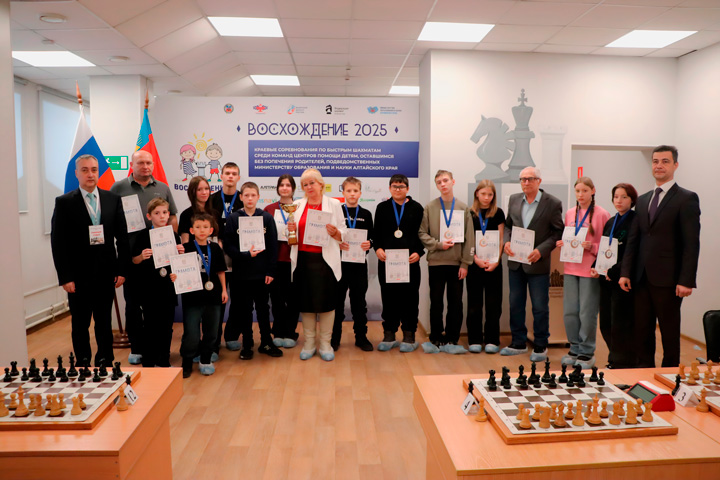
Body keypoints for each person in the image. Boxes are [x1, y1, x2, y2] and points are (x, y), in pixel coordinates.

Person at [620, 145, 701, 368]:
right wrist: (625, 272)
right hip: (641, 278)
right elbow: (634, 240)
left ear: (675, 165)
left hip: (669, 279)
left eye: (665, 161)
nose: (659, 165)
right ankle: (644, 374)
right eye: (655, 161)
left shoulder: (686, 198)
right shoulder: (643, 199)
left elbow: (691, 243)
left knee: (669, 332)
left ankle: (670, 375)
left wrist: (686, 280)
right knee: (642, 331)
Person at [50, 154, 130, 367]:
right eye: (85, 170)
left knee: (104, 321)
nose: (90, 174)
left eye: (94, 169)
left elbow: (122, 238)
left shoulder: (112, 199)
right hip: (78, 276)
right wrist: (65, 277)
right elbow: (58, 243)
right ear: (77, 173)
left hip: (106, 273)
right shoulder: (64, 202)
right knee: (80, 322)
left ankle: (105, 358)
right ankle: (83, 360)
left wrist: (121, 270)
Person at [110, 149, 178, 365]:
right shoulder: (118, 187)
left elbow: (173, 217)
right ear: (132, 165)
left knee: (155, 309)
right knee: (133, 306)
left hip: (159, 260)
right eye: (141, 163)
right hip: (131, 255)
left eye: (149, 162)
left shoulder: (162, 188)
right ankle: (137, 348)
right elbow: (109, 218)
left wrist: (173, 245)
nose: (145, 166)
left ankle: (157, 352)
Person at [502, 166, 563, 362]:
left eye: (530, 179)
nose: (526, 182)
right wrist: (506, 242)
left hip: (538, 264)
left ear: (539, 181)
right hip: (516, 263)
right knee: (515, 304)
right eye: (523, 179)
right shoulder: (514, 199)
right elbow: (508, 226)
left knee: (539, 307)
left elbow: (557, 232)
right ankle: (518, 342)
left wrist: (541, 250)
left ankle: (540, 345)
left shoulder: (553, 203)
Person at [287, 168, 347, 361]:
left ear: (321, 184)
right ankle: (309, 343)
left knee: (328, 303)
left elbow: (344, 231)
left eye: (312, 183)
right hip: (303, 260)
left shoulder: (334, 204)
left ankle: (325, 343)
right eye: (305, 184)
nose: (308, 187)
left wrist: (336, 233)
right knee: (306, 303)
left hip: (325, 261)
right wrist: (290, 230)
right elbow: (290, 236)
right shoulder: (296, 205)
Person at [556, 177, 610, 369]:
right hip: (571, 267)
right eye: (577, 191)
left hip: (590, 270)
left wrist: (592, 246)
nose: (580, 195)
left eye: (585, 191)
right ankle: (574, 348)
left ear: (593, 191)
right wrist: (562, 243)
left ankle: (587, 352)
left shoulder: (602, 214)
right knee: (570, 311)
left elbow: (608, 245)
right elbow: (569, 237)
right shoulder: (570, 213)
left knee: (587, 312)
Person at [224, 182, 282, 360]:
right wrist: (245, 255)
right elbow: (228, 246)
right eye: (246, 195)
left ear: (258, 197)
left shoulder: (266, 218)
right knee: (244, 310)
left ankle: (266, 342)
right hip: (241, 274)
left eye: (253, 195)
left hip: (262, 274)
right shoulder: (233, 218)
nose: (250, 198)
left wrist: (271, 271)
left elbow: (273, 246)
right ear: (241, 197)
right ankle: (247, 344)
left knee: (263, 309)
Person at [419, 170, 474, 347]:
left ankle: (452, 337)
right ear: (436, 185)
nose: (442, 184)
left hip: (457, 264)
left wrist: (465, 263)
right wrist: (438, 244)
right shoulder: (430, 207)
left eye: (445, 180)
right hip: (436, 262)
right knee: (436, 302)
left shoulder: (463, 208)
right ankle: (435, 336)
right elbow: (422, 233)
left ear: (452, 182)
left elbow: (469, 237)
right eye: (439, 182)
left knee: (455, 302)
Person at [373, 174, 425, 352]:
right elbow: (376, 234)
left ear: (407, 188)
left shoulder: (417, 208)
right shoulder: (382, 208)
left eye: (401, 186)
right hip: (387, 262)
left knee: (410, 299)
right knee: (389, 298)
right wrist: (378, 249)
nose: (398, 189)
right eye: (394, 186)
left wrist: (419, 252)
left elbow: (423, 234)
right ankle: (389, 334)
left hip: (411, 263)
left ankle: (409, 335)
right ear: (389, 188)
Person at [130, 198, 184, 367]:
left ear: (169, 215)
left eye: (165, 212)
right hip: (149, 288)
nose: (161, 216)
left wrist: (181, 254)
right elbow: (134, 260)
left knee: (166, 326)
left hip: (168, 286)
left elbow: (178, 265)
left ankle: (164, 360)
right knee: (150, 325)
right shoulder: (143, 236)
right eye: (157, 213)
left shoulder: (174, 236)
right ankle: (149, 360)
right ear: (149, 216)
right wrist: (141, 256)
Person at [173, 213, 227, 377]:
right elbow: (177, 269)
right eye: (198, 227)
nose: (201, 230)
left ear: (211, 230)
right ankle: (187, 361)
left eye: (205, 227)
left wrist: (224, 290)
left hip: (213, 296)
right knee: (192, 333)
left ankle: (206, 359)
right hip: (192, 297)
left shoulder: (215, 248)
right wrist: (175, 274)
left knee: (212, 331)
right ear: (191, 230)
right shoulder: (186, 248)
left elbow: (221, 271)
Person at [591, 183, 638, 369]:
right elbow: (605, 248)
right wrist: (596, 266)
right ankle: (615, 357)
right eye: (616, 197)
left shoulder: (635, 221)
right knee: (606, 323)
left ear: (632, 200)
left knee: (620, 324)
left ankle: (621, 361)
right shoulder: (611, 222)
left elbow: (631, 253)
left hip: (621, 280)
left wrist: (614, 271)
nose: (619, 200)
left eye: (624, 197)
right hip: (606, 279)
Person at [332, 177, 374, 351]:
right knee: (337, 304)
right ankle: (334, 338)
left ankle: (361, 338)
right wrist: (337, 243)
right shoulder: (337, 212)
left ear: (360, 193)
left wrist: (369, 244)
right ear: (343, 192)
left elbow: (372, 237)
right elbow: (330, 236)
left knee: (359, 304)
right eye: (348, 191)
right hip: (339, 265)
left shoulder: (366, 214)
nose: (352, 194)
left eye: (355, 191)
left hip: (359, 265)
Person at [466, 180, 505, 354]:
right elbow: (467, 240)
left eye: (490, 194)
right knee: (474, 303)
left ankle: (492, 339)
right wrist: (475, 259)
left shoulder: (498, 213)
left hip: (494, 265)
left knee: (493, 304)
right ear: (477, 193)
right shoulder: (470, 213)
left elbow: (501, 239)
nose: (486, 198)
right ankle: (474, 339)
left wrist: (496, 260)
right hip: (475, 265)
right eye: (483, 194)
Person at [208, 162, 243, 354]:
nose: (230, 176)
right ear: (221, 176)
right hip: (216, 256)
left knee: (237, 299)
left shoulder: (244, 199)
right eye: (227, 173)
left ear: (238, 178)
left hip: (237, 257)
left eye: (234, 173)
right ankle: (213, 341)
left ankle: (231, 336)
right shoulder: (211, 200)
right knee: (217, 300)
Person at [264, 174, 300, 348]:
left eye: (288, 185)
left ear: (293, 188)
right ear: (277, 188)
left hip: (295, 260)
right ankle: (278, 331)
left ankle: (290, 332)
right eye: (281, 185)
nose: (285, 188)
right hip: (275, 261)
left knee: (293, 299)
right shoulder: (269, 209)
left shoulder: (300, 208)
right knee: (276, 299)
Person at [179, 176, 218, 244]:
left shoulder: (215, 214)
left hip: (213, 250)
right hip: (194, 250)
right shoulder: (186, 215)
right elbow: (185, 242)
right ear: (192, 192)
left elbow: (219, 239)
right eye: (199, 190)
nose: (204, 192)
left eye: (206, 189)